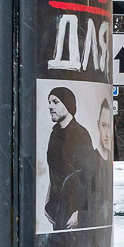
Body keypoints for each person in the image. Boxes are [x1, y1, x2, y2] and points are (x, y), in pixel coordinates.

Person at [44, 87, 106, 230]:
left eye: (55, 102)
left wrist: (79, 214)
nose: (50, 106)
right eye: (49, 102)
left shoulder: (80, 135)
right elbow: (56, 171)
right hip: (58, 209)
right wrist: (48, 202)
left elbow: (88, 176)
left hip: (72, 213)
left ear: (68, 104)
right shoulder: (55, 133)